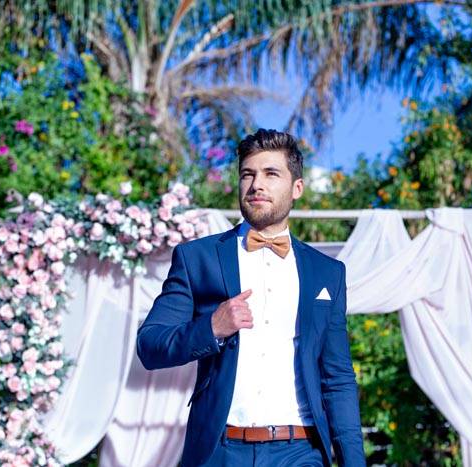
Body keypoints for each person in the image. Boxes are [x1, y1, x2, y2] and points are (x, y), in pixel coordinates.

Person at [136, 129, 365, 467]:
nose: (257, 184)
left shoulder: (327, 273)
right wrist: (211, 328)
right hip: (220, 451)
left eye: (271, 174)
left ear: (297, 188)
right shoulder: (197, 258)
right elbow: (150, 345)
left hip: (301, 452)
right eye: (248, 174)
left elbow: (338, 378)